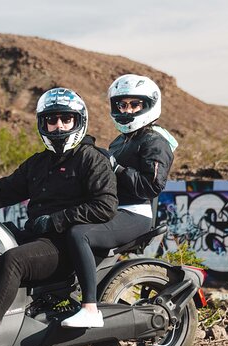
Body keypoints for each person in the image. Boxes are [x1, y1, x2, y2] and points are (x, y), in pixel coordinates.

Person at [0, 87, 118, 346]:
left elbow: (105, 206)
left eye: (66, 119)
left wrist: (55, 220)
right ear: (43, 124)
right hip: (40, 238)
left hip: (67, 246)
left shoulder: (91, 158)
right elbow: (4, 190)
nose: (58, 125)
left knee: (14, 261)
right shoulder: (39, 163)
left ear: (78, 121)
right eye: (52, 119)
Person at [60, 74, 178, 328]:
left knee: (80, 234)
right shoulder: (120, 141)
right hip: (112, 209)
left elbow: (151, 187)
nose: (127, 110)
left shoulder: (155, 140)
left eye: (134, 105)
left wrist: (116, 167)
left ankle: (89, 308)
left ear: (149, 105)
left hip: (136, 213)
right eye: (122, 105)